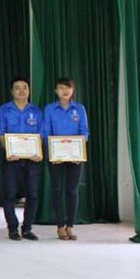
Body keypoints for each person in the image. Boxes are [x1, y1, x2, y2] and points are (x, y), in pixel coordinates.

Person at [43, 77, 89, 241]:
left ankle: (70, 225)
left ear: (73, 90)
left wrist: (78, 153)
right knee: (57, 189)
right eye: (61, 88)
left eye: (68, 88)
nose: (65, 91)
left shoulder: (79, 108)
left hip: (75, 156)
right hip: (55, 156)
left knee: (72, 190)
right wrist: (53, 152)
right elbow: (46, 132)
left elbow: (84, 132)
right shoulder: (49, 109)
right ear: (56, 91)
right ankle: (60, 226)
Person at [0, 77, 44, 241]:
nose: (22, 91)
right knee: (10, 194)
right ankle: (12, 229)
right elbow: (1, 133)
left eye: (25, 87)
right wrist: (9, 150)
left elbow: (41, 135)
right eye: (17, 88)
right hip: (11, 158)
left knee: (33, 195)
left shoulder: (37, 112)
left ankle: (27, 228)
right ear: (12, 91)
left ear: (29, 91)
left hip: (32, 159)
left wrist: (38, 151)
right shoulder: (4, 110)